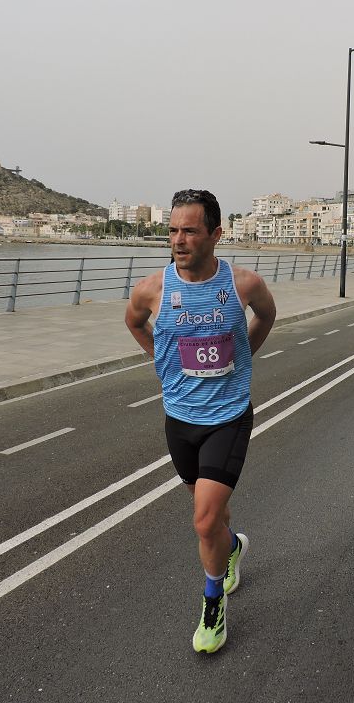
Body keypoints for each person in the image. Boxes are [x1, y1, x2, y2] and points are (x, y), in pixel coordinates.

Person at [125, 189, 277, 654]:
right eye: (172, 230)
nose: (178, 239)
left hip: (228, 418)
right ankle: (231, 547)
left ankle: (213, 606)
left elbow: (267, 316)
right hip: (179, 421)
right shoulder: (152, 290)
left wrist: (245, 355)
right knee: (211, 518)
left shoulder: (243, 285)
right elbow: (133, 322)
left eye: (190, 230)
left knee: (203, 519)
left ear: (215, 233)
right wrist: (162, 361)